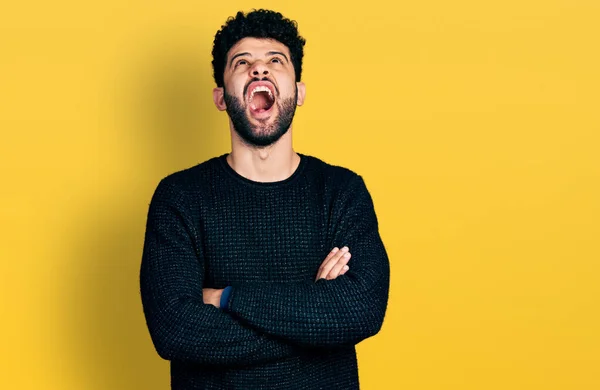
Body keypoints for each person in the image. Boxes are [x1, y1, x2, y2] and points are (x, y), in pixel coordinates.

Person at [140, 9, 390, 389]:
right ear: (221, 97)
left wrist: (225, 299)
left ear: (299, 91)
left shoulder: (342, 192)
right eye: (243, 62)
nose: (260, 70)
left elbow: (362, 310)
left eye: (276, 60)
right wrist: (316, 320)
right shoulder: (179, 198)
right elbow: (175, 330)